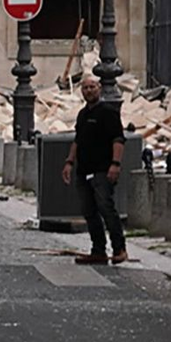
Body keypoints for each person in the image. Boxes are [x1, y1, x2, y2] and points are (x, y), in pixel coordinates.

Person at [62, 76, 128, 265]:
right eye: (85, 88)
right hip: (84, 169)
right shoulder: (82, 114)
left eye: (92, 87)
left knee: (106, 208)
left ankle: (119, 248)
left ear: (99, 88)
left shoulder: (109, 112)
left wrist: (115, 164)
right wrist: (69, 162)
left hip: (103, 169)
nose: (89, 91)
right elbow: (78, 140)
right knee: (89, 211)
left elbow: (118, 139)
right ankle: (98, 250)